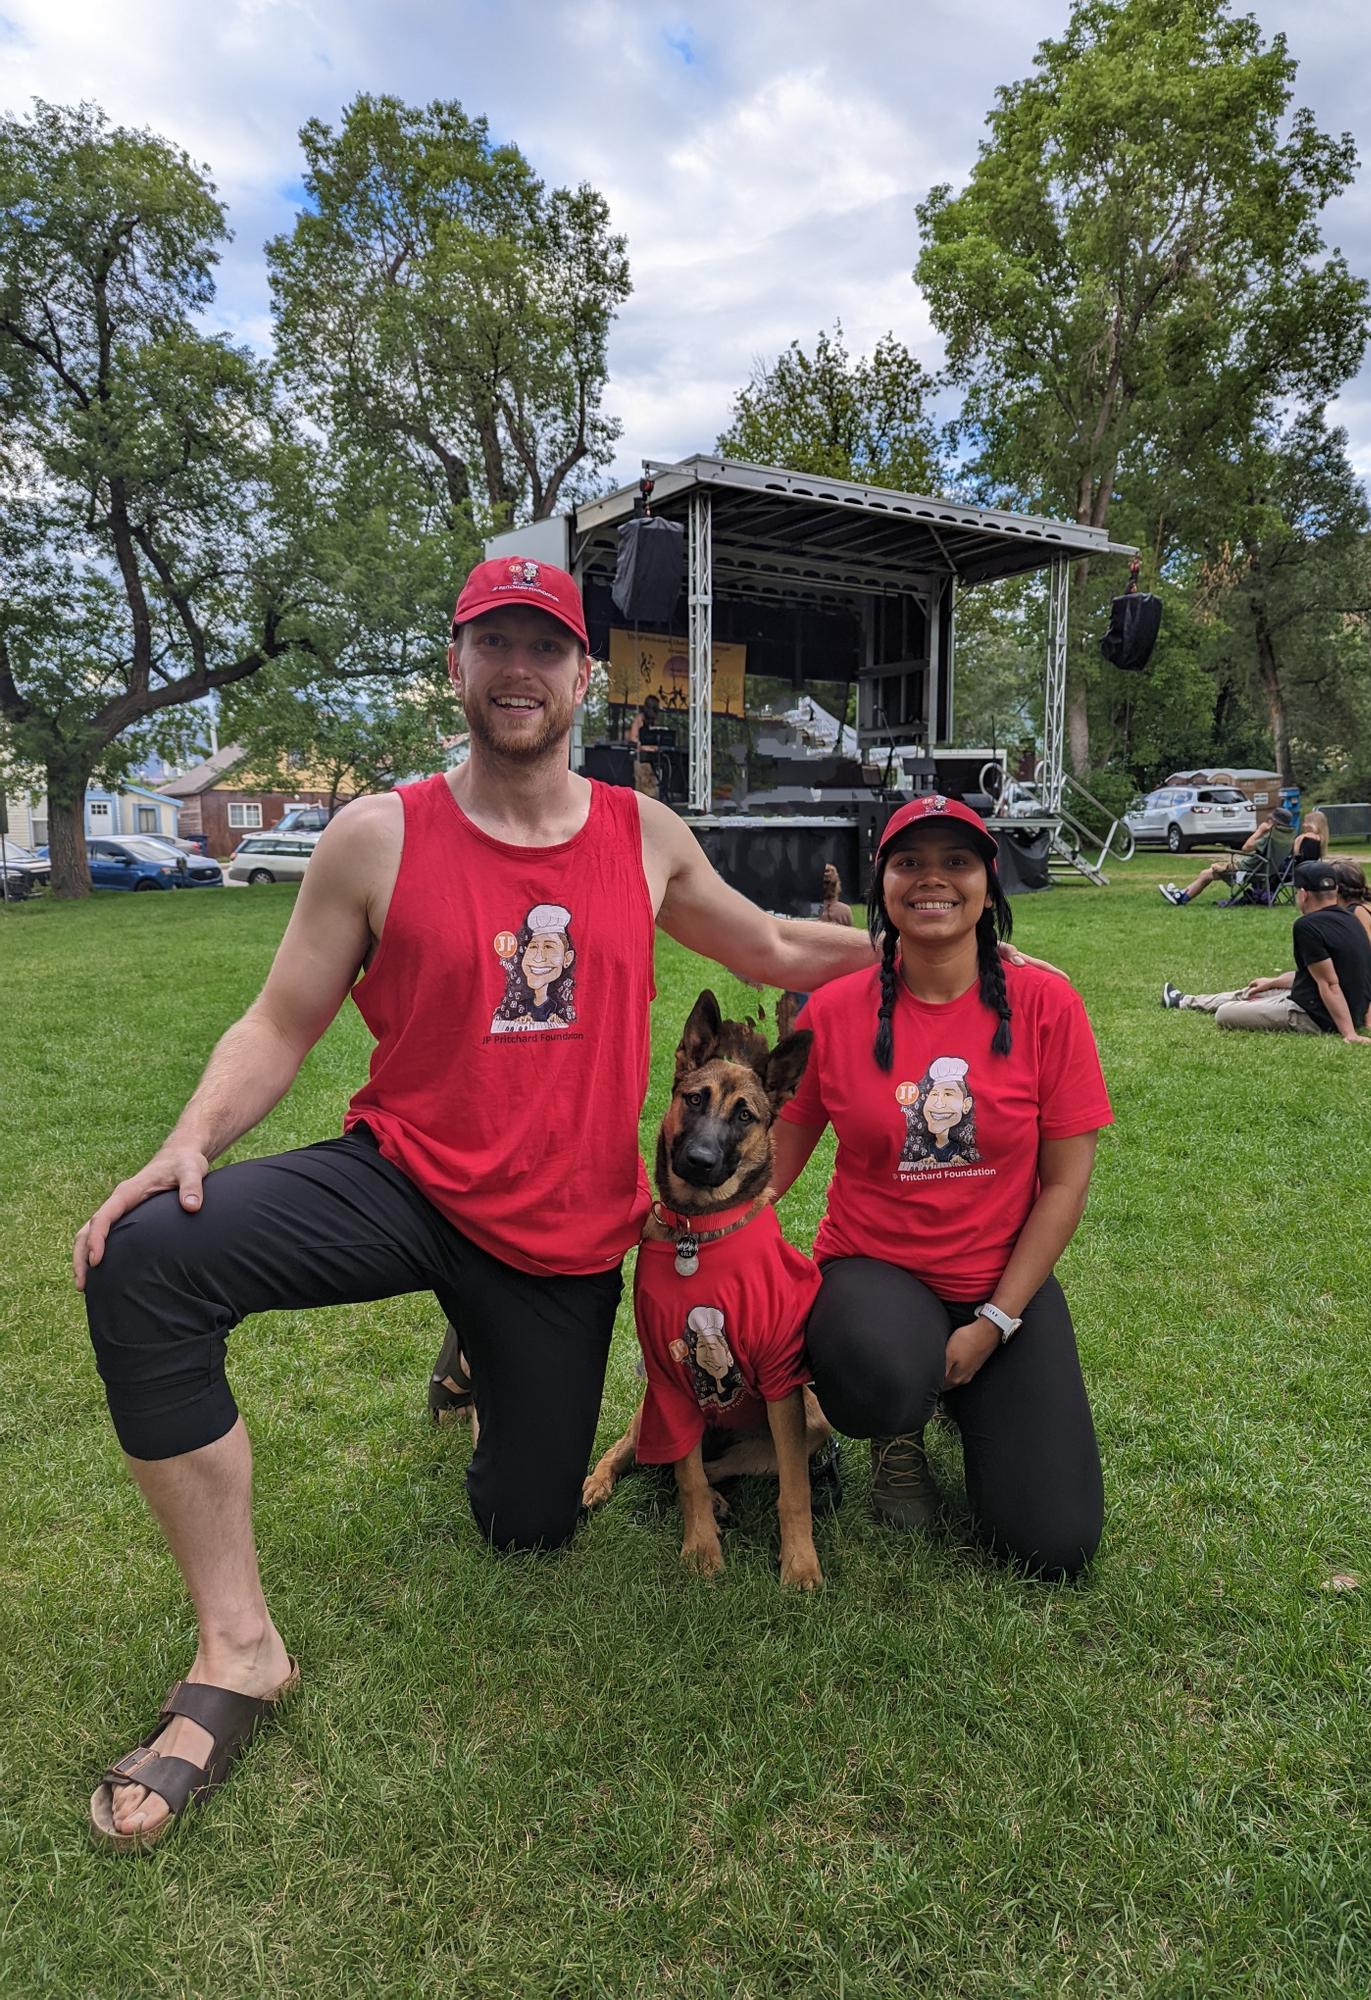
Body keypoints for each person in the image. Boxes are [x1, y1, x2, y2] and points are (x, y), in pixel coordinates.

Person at [74, 555, 920, 1848]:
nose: (519, 670)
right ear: (457, 666)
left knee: (527, 1526)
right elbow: (281, 1019)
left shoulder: (641, 835)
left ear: (585, 675)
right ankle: (237, 1648)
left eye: (546, 647)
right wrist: (185, 1141)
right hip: (404, 1180)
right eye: (493, 644)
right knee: (144, 1258)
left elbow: (766, 947)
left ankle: (478, 1346)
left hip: (560, 1242)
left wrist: (923, 948)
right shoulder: (380, 836)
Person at [771, 796, 1113, 1579]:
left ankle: (968, 1392)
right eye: (909, 863)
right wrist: (695, 1232)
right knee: (880, 1369)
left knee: (1053, 1544)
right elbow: (773, 1166)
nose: (933, 880)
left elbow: (1064, 1183)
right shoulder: (831, 1013)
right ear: (881, 886)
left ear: (988, 886)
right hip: (873, 1275)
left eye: (956, 862)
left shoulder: (1046, 1004)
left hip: (999, 1285)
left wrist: (995, 1321)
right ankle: (900, 1428)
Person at [1160, 860, 1371, 1041]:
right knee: (1258, 989)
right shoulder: (1353, 919)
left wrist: (1349, 1033)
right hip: (1335, 1006)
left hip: (1314, 1015)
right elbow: (1347, 973)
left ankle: (1223, 1004)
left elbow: (1329, 983)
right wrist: (1272, 983)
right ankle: (1185, 1000)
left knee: (1225, 1014)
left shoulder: (1308, 926)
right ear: (1334, 891)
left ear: (1303, 894)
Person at [1157, 808, 1293, 905]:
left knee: (1206, 874)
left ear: (1274, 822)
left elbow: (1246, 848)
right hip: (1269, 872)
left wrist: (1260, 830)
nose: (1266, 821)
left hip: (1250, 872)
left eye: (1269, 820)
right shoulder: (1287, 838)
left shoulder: (1271, 836)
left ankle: (1181, 897)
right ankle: (1181, 893)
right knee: (1208, 872)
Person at [1330, 857, 1371, 1026]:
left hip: (1370, 1003)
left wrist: (1368, 1023)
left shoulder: (1358, 914)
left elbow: (1364, 967)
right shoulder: (1367, 908)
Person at [627, 692, 665, 798]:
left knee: (653, 786)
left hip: (653, 758)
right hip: (641, 758)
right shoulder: (639, 719)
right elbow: (633, 739)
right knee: (644, 787)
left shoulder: (653, 721)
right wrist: (644, 747)